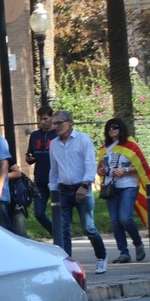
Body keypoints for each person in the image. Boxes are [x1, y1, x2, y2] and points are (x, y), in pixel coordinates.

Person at [48, 110, 108, 273]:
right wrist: (53, 190)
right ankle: (67, 264)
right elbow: (54, 169)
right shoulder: (54, 144)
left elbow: (90, 164)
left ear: (70, 123)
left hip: (82, 187)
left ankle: (101, 256)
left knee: (88, 227)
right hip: (63, 189)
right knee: (63, 229)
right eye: (55, 124)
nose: (56, 126)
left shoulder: (83, 139)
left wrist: (85, 185)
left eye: (59, 123)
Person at [96, 118, 146, 263]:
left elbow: (141, 167)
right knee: (115, 221)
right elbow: (99, 168)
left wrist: (125, 170)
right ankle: (123, 252)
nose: (112, 130)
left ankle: (138, 243)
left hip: (128, 185)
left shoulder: (130, 145)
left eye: (115, 127)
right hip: (110, 187)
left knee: (125, 218)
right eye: (109, 128)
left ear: (121, 128)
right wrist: (101, 170)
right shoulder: (105, 147)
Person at [25, 106, 57, 235]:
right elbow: (30, 156)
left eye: (45, 118)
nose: (42, 122)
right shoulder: (35, 135)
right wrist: (29, 158)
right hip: (40, 180)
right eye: (40, 119)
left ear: (51, 118)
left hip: (55, 180)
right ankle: (55, 233)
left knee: (58, 213)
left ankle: (62, 237)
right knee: (38, 212)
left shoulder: (57, 135)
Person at [7, 158, 28, 237]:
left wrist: (0, 176)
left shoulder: (0, 150)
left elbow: (17, 172)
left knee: (5, 222)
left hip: (10, 194)